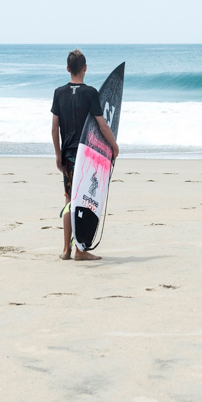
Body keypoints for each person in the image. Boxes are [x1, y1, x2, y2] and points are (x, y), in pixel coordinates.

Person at [51, 50, 119, 261]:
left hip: (69, 155)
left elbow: (54, 128)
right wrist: (114, 146)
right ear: (85, 68)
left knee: (69, 200)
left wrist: (58, 154)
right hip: (86, 157)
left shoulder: (59, 92)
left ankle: (66, 250)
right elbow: (102, 125)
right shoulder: (90, 93)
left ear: (67, 68)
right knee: (84, 200)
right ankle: (80, 250)